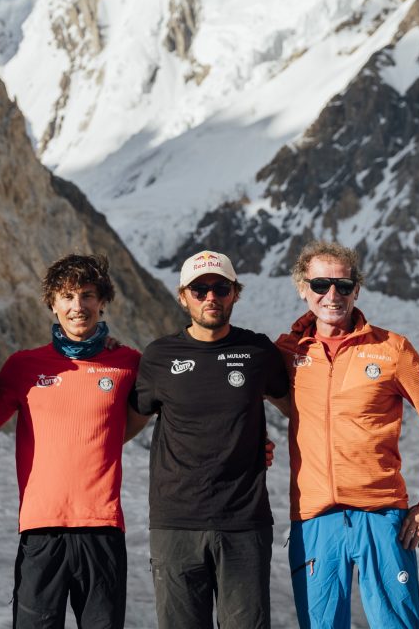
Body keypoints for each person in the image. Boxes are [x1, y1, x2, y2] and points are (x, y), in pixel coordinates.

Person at [273, 240, 419, 629]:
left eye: (343, 286)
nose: (332, 295)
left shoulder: (391, 350)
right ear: (302, 288)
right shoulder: (286, 352)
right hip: (314, 522)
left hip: (382, 517)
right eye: (321, 284)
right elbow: (228, 401)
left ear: (356, 290)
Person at [128, 249, 290, 629]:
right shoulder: (159, 356)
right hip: (175, 524)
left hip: (244, 522)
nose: (211, 298)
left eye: (221, 288)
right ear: (183, 296)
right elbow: (122, 428)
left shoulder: (257, 352)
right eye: (200, 290)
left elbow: (299, 411)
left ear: (236, 292)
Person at [0, 253, 140, 629]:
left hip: (101, 529)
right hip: (41, 532)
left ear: (102, 302)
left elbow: (172, 415)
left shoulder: (128, 363)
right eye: (67, 296)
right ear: (52, 304)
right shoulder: (22, 366)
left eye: (87, 295)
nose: (78, 306)